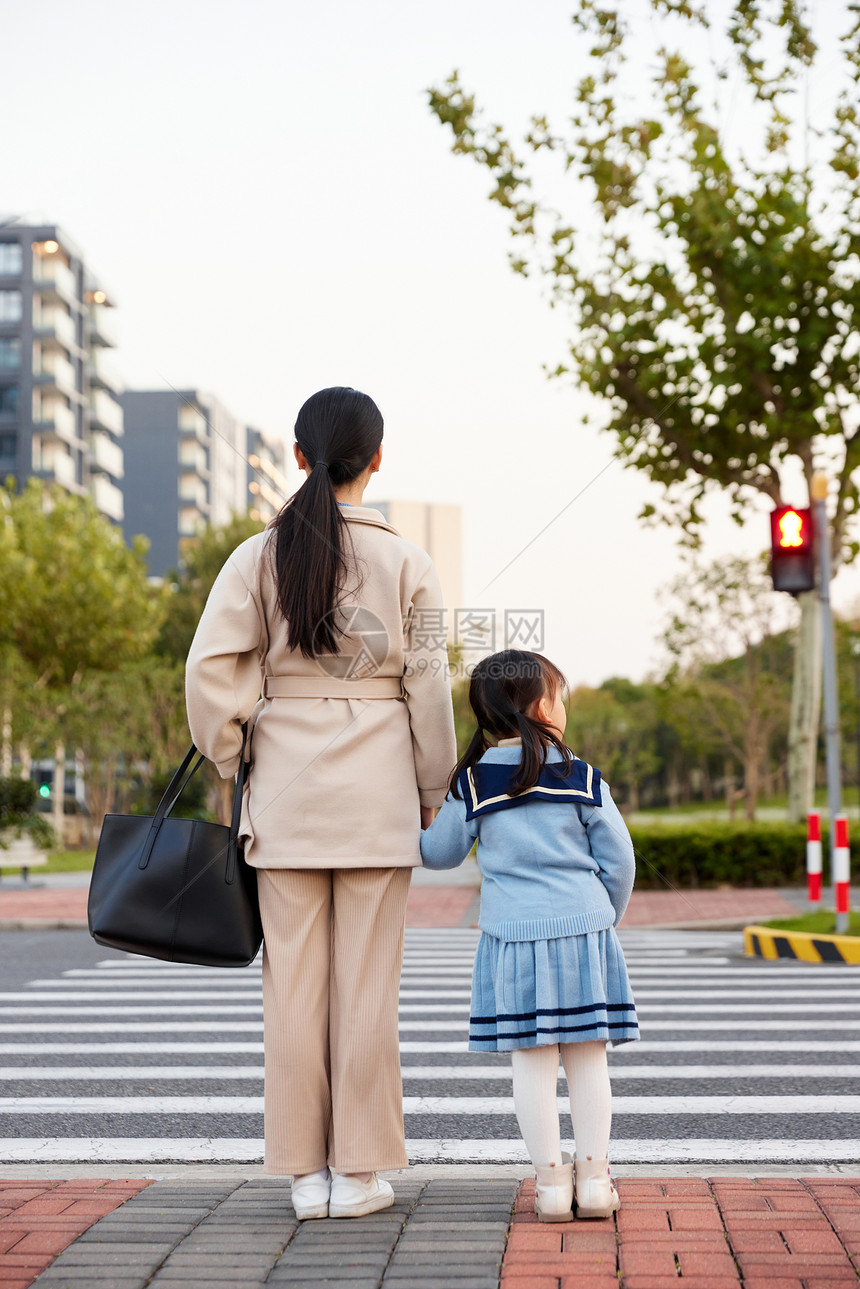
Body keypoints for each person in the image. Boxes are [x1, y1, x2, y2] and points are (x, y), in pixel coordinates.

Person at [185, 386, 457, 1220]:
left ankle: (305, 1176)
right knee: (368, 988)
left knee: (293, 988)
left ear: (300, 458)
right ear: (377, 461)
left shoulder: (256, 556)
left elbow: (209, 675)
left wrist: (238, 758)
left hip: (287, 796)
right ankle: (359, 1171)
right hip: (376, 798)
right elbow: (430, 687)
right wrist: (430, 788)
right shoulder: (409, 562)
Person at [419, 649, 638, 1221]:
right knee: (589, 1059)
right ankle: (594, 1183)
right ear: (539, 705)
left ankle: (548, 1187)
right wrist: (602, 915)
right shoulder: (581, 775)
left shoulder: (474, 782)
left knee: (531, 1063)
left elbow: (439, 854)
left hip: (513, 938)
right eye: (558, 695)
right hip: (585, 931)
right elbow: (620, 860)